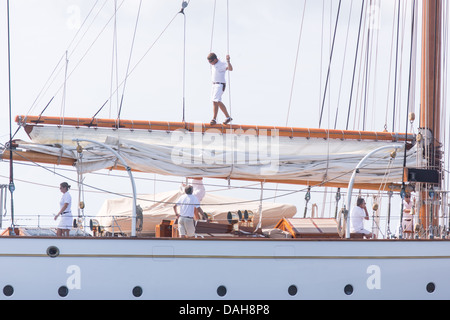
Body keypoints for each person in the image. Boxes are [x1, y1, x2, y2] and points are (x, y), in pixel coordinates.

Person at [207, 52, 233, 125]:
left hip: (220, 85)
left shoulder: (221, 64)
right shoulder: (214, 63)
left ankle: (226, 117)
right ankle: (215, 119)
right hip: (214, 85)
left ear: (215, 60)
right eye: (209, 62)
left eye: (211, 62)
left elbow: (230, 69)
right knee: (214, 101)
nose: (210, 63)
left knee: (217, 100)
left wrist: (228, 61)